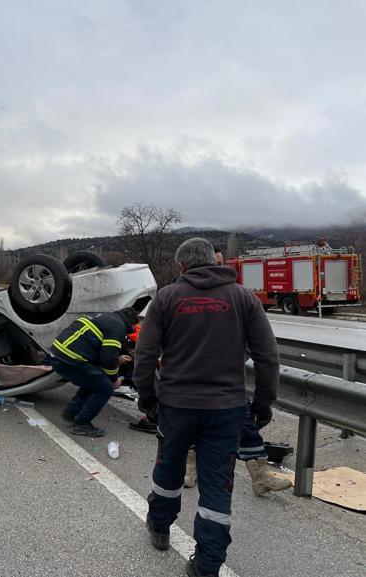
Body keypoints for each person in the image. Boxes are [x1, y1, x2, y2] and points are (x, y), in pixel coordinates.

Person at [133, 238, 279, 577]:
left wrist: (147, 396)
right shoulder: (243, 298)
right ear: (215, 261)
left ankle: (159, 527)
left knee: (168, 470)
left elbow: (145, 354)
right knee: (217, 483)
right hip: (226, 410)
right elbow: (268, 356)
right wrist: (263, 402)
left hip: (176, 406)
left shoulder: (167, 298)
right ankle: (208, 563)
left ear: (182, 267)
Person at [182, 246, 291, 496]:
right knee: (191, 427)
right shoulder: (184, 297)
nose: (217, 269)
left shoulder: (238, 298)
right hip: (190, 382)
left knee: (246, 426)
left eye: (221, 264)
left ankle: (260, 477)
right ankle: (190, 469)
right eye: (214, 263)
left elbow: (258, 345)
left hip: (226, 382)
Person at [50, 307, 139, 437]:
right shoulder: (118, 326)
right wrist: (115, 380)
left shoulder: (105, 316)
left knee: (95, 381)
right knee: (105, 388)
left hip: (58, 354)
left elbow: (95, 349)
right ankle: (81, 424)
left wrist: (116, 360)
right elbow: (108, 360)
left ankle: (72, 413)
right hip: (70, 358)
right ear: (130, 323)